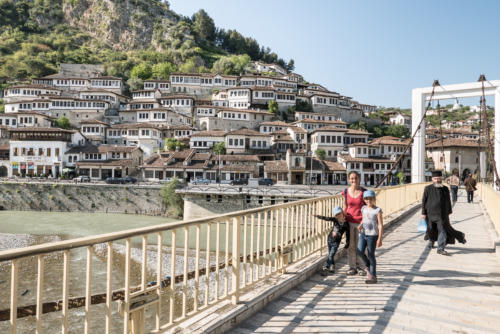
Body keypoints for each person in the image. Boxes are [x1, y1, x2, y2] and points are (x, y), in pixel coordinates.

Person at [422, 170, 466, 255]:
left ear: (441, 179)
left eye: (438, 178)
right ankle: (431, 241)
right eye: (435, 179)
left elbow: (448, 201)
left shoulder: (445, 189)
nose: (437, 180)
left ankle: (440, 248)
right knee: (430, 229)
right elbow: (424, 201)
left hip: (442, 215)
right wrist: (423, 213)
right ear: (432, 179)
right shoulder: (427, 188)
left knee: (442, 230)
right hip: (430, 214)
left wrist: (449, 211)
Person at [342, 171, 366, 276]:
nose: (354, 180)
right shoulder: (345, 192)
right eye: (351, 178)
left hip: (361, 222)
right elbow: (345, 206)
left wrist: (364, 221)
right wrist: (341, 218)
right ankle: (352, 267)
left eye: (356, 178)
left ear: (359, 179)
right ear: (349, 180)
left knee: (360, 247)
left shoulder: (364, 192)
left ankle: (361, 267)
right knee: (351, 246)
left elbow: (367, 208)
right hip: (349, 222)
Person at [314, 206, 350, 275]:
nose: (338, 216)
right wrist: (318, 216)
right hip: (330, 239)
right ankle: (332, 266)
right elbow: (326, 218)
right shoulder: (335, 220)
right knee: (331, 254)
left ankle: (325, 267)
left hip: (336, 242)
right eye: (336, 215)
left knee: (330, 255)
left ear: (342, 212)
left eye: (339, 214)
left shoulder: (346, 224)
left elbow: (348, 235)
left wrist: (347, 244)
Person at [357, 190, 383, 284]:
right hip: (363, 233)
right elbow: (364, 219)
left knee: (371, 255)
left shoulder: (377, 210)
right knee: (359, 251)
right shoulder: (363, 208)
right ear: (364, 199)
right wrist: (360, 224)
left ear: (374, 199)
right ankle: (368, 265)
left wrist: (380, 239)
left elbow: (380, 225)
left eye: (371, 198)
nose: (368, 200)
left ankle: (373, 276)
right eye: (366, 198)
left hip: (372, 236)